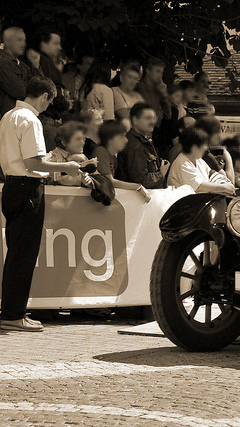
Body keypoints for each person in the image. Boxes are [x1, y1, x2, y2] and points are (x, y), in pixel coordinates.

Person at [0, 76, 82, 331]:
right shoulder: (30, 119)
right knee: (23, 254)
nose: (49, 106)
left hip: (12, 186)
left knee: (16, 252)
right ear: (45, 96)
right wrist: (66, 165)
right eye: (50, 100)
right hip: (26, 188)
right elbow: (33, 163)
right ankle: (13, 314)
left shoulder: (7, 116)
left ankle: (11, 312)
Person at [92, 120, 151, 202]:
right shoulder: (100, 152)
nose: (126, 140)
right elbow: (109, 182)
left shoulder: (114, 157)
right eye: (121, 136)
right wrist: (138, 187)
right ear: (110, 139)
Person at [167, 127, 236, 195]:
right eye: (204, 144)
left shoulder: (199, 161)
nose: (206, 148)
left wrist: (224, 183)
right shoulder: (182, 163)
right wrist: (224, 187)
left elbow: (212, 174)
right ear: (194, 147)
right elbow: (198, 187)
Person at [118, 102, 169, 188]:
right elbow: (140, 181)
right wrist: (161, 174)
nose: (152, 122)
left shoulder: (142, 141)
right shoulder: (135, 145)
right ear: (135, 120)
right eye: (148, 118)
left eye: (154, 118)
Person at [35, 29, 70, 151]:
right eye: (55, 43)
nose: (59, 47)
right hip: (47, 117)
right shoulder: (44, 62)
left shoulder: (46, 62)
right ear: (43, 43)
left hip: (49, 117)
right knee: (50, 158)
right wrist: (65, 104)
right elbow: (52, 89)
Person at [46, 121, 92, 186]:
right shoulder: (52, 157)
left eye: (83, 139)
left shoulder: (82, 157)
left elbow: (93, 177)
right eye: (78, 139)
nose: (82, 143)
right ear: (64, 142)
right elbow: (55, 180)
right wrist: (68, 160)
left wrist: (89, 180)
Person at [0, 27, 33, 118]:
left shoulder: (23, 65)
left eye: (24, 40)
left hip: (20, 118)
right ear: (7, 41)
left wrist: (36, 65)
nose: (23, 44)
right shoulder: (2, 62)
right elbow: (20, 91)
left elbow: (39, 86)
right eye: (19, 40)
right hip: (7, 120)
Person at [137, 58, 171, 125]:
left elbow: (168, 115)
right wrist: (159, 112)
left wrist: (164, 95)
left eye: (161, 72)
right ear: (148, 70)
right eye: (157, 71)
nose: (160, 75)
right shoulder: (139, 88)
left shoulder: (158, 89)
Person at [112, 62, 145, 128]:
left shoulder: (138, 95)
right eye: (130, 77)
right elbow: (123, 114)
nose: (132, 81)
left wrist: (130, 110)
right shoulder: (115, 91)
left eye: (135, 78)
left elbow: (147, 115)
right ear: (121, 78)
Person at [156, 84, 182, 160]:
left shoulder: (164, 109)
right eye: (177, 96)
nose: (179, 99)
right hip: (166, 144)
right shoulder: (173, 111)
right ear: (169, 96)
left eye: (180, 97)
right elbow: (172, 130)